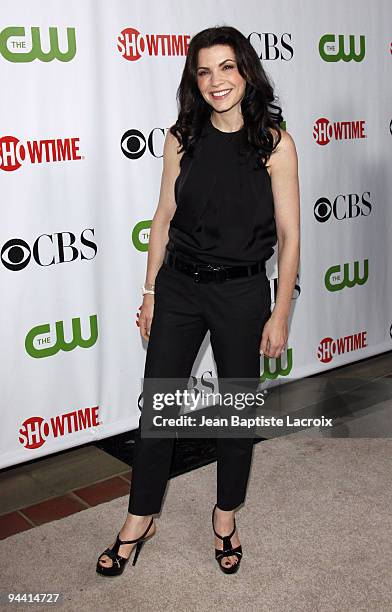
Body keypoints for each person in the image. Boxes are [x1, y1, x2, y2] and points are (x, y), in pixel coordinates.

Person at [96, 25, 300, 576]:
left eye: (227, 67)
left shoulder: (274, 143)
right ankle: (141, 517)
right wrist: (150, 293)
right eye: (205, 71)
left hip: (241, 293)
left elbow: (290, 234)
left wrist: (280, 311)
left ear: (246, 71)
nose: (216, 81)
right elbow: (163, 218)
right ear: (195, 79)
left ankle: (225, 516)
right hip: (180, 288)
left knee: (236, 415)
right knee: (157, 410)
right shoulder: (181, 136)